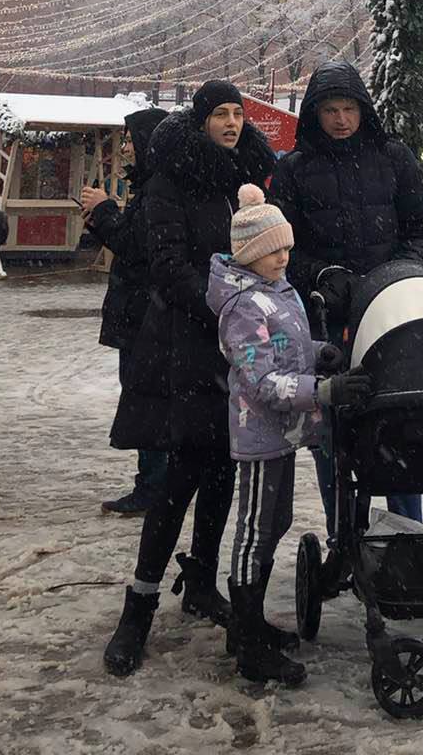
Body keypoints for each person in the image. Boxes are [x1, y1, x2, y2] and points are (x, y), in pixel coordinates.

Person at [103, 81, 275, 678]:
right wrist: (229, 312)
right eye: (220, 114)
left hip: (236, 348)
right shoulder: (169, 178)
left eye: (237, 113)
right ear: (200, 120)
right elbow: (168, 267)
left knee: (225, 469)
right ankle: (140, 604)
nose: (230, 122)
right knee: (178, 477)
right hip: (187, 345)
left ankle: (201, 581)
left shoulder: (247, 176)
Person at [207, 184, 370, 686]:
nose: (284, 256)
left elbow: (287, 350)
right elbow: (262, 381)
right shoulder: (242, 306)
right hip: (259, 435)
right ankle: (249, 643)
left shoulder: (275, 290)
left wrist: (320, 352)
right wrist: (324, 390)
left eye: (286, 247)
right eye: (274, 249)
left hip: (282, 433)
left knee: (273, 525)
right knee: (255, 532)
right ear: (251, 253)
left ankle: (247, 625)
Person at [273, 61, 423, 539]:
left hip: (391, 314)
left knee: (400, 422)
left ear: (364, 110)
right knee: (332, 429)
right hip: (327, 319)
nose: (341, 119)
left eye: (349, 109)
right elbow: (283, 246)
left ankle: (407, 534)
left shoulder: (394, 159)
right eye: (330, 110)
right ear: (315, 113)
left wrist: (397, 276)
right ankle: (342, 537)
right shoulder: (295, 169)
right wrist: (321, 275)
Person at [78, 105, 169, 515]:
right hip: (140, 311)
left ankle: (154, 486)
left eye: (131, 138)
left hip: (145, 315)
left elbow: (137, 247)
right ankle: (156, 483)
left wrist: (104, 210)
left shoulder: (157, 190)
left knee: (146, 401)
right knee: (145, 399)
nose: (127, 146)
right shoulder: (149, 187)